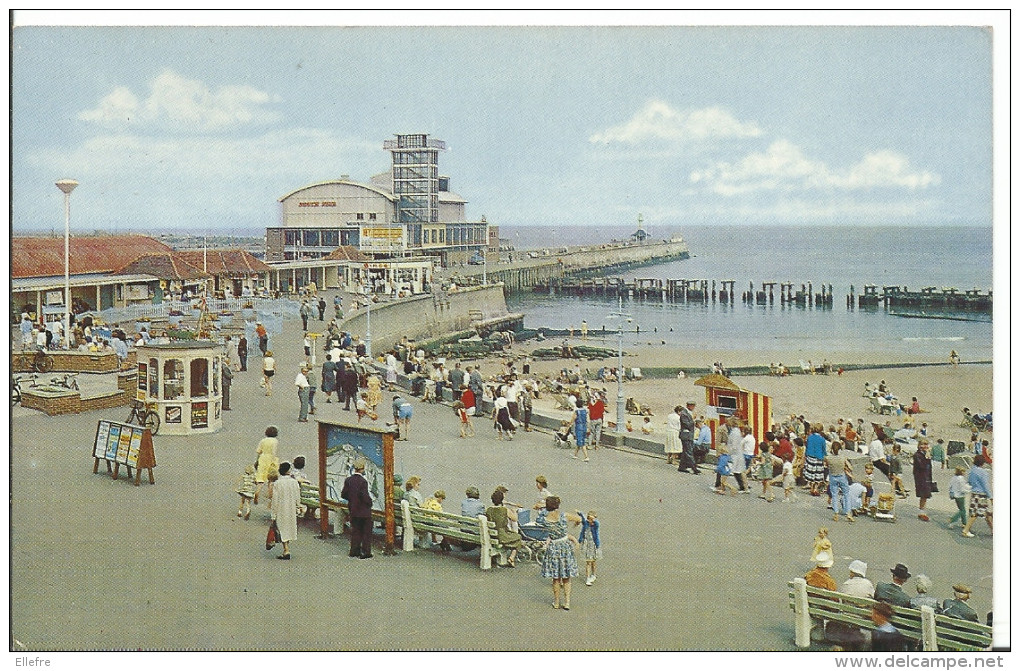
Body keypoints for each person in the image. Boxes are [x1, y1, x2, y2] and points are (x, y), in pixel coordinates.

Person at [537, 496, 582, 610]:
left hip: (553, 547)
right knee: (566, 577)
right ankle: (567, 602)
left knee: (556, 578)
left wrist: (542, 507)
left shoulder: (544, 519)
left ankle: (556, 602)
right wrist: (574, 525)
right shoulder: (564, 516)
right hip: (565, 545)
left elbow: (538, 518)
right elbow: (579, 519)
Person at [340, 458, 374, 559]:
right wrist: (369, 502)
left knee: (356, 530)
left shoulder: (348, 480)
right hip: (363, 510)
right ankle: (365, 551)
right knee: (366, 532)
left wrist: (352, 499)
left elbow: (344, 494)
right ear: (362, 469)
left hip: (353, 509)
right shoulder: (363, 482)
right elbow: (364, 496)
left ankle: (354, 550)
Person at [271, 462, 300, 560]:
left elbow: (275, 499)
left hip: (281, 509)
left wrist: (273, 514)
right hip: (291, 508)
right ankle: (286, 548)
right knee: (289, 527)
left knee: (282, 528)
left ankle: (286, 549)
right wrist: (298, 507)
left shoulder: (277, 483)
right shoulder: (294, 482)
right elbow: (297, 496)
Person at [486, 490, 522, 567]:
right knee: (518, 538)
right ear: (502, 500)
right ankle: (511, 558)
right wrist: (514, 511)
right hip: (502, 535)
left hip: (491, 535)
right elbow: (515, 519)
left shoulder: (489, 510)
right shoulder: (505, 510)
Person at [961, 455, 992, 538]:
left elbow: (969, 482)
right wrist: (991, 496)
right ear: (983, 463)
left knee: (986, 513)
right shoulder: (983, 472)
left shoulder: (972, 470)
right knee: (977, 513)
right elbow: (986, 485)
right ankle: (965, 530)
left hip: (974, 493)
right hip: (981, 495)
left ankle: (993, 530)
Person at [825, 441, 854, 523]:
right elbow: (851, 468)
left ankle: (836, 513)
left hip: (833, 477)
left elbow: (827, 465)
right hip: (841, 476)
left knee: (834, 495)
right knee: (846, 494)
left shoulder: (828, 458)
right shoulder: (843, 457)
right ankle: (848, 513)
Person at [254, 426, 280, 507]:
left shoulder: (263, 440)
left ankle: (257, 492)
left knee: (260, 478)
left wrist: (257, 460)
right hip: (271, 459)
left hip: (263, 458)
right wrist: (274, 462)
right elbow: (274, 452)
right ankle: (270, 498)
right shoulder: (275, 441)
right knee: (271, 480)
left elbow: (258, 451)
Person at [577, 509, 601, 586]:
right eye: (589, 518)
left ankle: (593, 574)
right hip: (587, 544)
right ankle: (588, 578)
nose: (590, 520)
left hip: (593, 544)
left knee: (593, 561)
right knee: (588, 562)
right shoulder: (586, 524)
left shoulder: (595, 525)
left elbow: (596, 524)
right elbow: (583, 520)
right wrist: (580, 513)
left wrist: (593, 520)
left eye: (592, 519)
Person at [912, 439, 933, 521]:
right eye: (923, 444)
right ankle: (921, 512)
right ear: (920, 445)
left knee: (925, 496)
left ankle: (922, 511)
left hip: (926, 477)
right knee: (923, 495)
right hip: (921, 478)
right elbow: (922, 466)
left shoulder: (924, 455)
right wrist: (927, 458)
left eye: (926, 445)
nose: (925, 446)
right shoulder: (917, 455)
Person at [804, 423, 828, 497]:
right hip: (818, 457)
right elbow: (824, 450)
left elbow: (807, 446)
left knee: (811, 473)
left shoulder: (810, 437)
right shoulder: (822, 439)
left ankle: (811, 488)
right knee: (818, 474)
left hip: (810, 456)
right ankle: (816, 489)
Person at [677, 401, 700, 474]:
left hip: (688, 435)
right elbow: (687, 424)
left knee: (685, 452)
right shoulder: (684, 414)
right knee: (689, 452)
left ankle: (682, 466)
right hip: (686, 435)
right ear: (689, 406)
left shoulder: (687, 413)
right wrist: (693, 420)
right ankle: (694, 468)